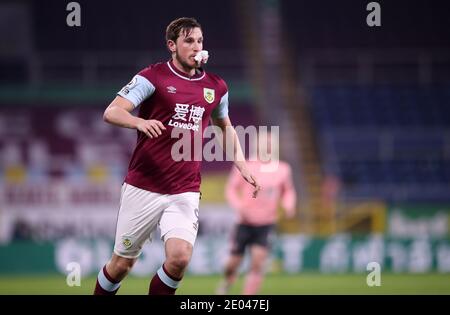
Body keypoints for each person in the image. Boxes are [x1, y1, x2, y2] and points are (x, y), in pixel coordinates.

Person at [93, 17, 260, 295]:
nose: (196, 47)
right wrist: (139, 122)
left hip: (185, 188)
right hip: (143, 186)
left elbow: (225, 127)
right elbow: (112, 111)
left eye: (200, 41)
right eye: (188, 41)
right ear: (172, 45)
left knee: (180, 258)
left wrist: (242, 165)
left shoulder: (217, 87)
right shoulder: (153, 77)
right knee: (121, 264)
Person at [216, 132, 297, 295]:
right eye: (264, 143)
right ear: (256, 145)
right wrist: (239, 206)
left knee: (257, 263)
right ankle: (226, 282)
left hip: (266, 223)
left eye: (270, 143)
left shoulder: (283, 169)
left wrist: (289, 205)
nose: (267, 146)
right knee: (233, 263)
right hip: (244, 222)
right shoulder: (245, 165)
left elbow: (288, 190)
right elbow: (231, 189)